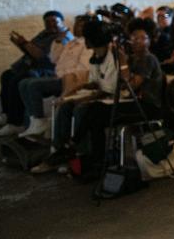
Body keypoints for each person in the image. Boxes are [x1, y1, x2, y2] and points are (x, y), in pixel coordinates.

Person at [30, 18, 120, 173]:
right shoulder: (95, 57)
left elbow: (107, 90)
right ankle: (60, 151)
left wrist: (81, 99)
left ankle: (78, 154)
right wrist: (70, 93)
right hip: (100, 95)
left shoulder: (113, 56)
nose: (84, 41)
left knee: (81, 109)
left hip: (112, 100)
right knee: (65, 106)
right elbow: (93, 83)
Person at [0, 11, 69, 136]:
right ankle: (7, 113)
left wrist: (24, 44)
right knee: (7, 75)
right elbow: (31, 50)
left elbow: (43, 57)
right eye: (47, 22)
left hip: (48, 70)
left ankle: (16, 123)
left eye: (54, 21)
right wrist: (21, 44)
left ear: (62, 22)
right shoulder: (44, 34)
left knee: (18, 80)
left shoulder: (63, 37)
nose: (51, 24)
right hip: (34, 66)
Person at [17, 15, 92, 138]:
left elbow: (83, 69)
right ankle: (35, 120)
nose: (77, 27)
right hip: (59, 75)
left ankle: (39, 120)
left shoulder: (87, 44)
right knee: (23, 83)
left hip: (71, 80)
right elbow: (53, 58)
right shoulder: (70, 42)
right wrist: (58, 42)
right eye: (76, 24)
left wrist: (63, 74)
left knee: (33, 85)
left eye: (80, 25)